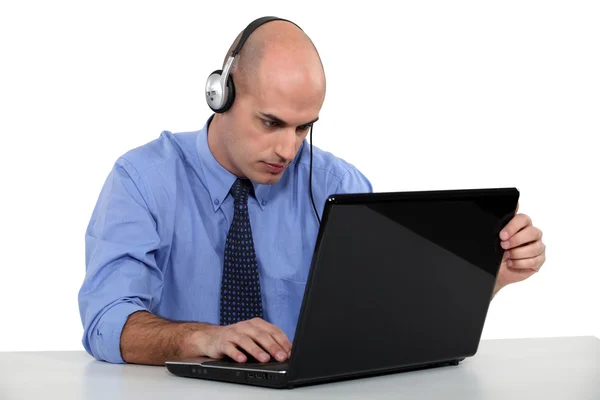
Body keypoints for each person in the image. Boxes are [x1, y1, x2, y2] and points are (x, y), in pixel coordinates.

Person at [78, 17, 547, 366]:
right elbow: (105, 321)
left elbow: (387, 318)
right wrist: (203, 338)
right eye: (271, 122)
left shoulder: (337, 185)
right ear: (221, 94)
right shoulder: (142, 179)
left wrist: (488, 279)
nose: (287, 148)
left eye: (304, 127)